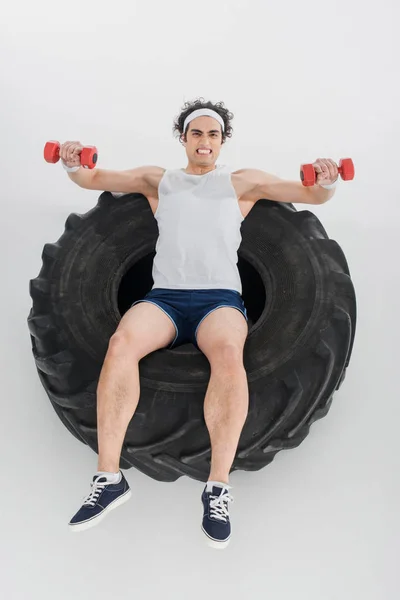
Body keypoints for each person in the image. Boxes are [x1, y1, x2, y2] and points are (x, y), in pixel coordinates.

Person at [61, 99, 339, 548]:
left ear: (222, 140)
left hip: (219, 300)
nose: (204, 142)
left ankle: (217, 488)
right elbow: (90, 177)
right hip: (166, 298)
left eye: (212, 134)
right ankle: (109, 477)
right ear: (184, 138)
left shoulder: (241, 182)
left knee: (229, 354)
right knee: (120, 344)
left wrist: (327, 182)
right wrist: (72, 161)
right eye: (196, 134)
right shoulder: (161, 181)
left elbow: (310, 195)